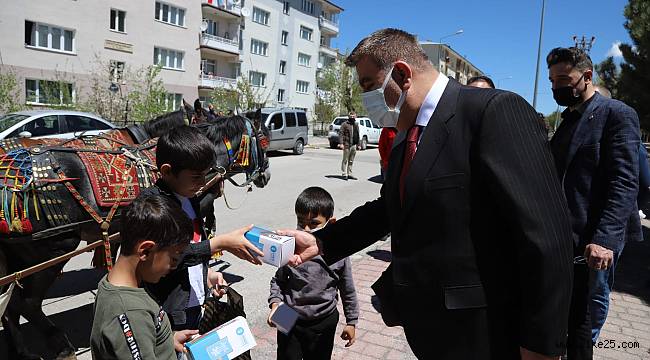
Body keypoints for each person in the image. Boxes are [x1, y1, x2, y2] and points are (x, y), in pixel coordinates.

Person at [281, 28, 574, 360]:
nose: (366, 99)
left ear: (403, 74)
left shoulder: (492, 112)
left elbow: (547, 237)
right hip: (433, 331)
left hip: (485, 333)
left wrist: (542, 345)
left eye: (368, 86)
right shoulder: (408, 133)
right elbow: (390, 208)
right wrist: (323, 241)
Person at [547, 47, 641, 359]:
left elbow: (625, 180)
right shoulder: (569, 119)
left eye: (563, 78)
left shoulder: (617, 114)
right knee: (566, 317)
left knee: (582, 321)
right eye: (551, 80)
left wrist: (604, 239)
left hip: (592, 241)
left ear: (586, 77)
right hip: (564, 237)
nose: (556, 87)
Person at [142, 126, 263, 333]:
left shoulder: (190, 197)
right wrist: (219, 243)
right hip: (169, 312)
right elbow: (167, 258)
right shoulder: (152, 207)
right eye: (196, 177)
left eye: (206, 175)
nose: (202, 183)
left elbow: (193, 248)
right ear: (167, 171)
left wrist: (206, 274)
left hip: (195, 303)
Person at [90, 195, 198, 359]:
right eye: (174, 258)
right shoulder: (132, 312)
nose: (174, 266)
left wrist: (167, 340)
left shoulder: (113, 284)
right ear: (146, 251)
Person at [267, 187, 358, 360]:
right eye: (301, 222)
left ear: (330, 223)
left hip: (324, 318)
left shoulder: (338, 253)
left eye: (314, 223)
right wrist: (275, 305)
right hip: (288, 314)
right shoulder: (291, 248)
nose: (306, 229)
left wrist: (351, 322)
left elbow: (348, 289)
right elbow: (278, 281)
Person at [338, 111, 360, 180]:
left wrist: (358, 144)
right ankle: (344, 173)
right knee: (345, 159)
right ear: (348, 117)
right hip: (347, 145)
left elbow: (357, 135)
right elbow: (341, 134)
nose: (352, 117)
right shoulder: (344, 124)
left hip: (354, 145)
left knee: (351, 160)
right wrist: (341, 143)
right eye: (351, 116)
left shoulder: (356, 124)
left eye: (353, 116)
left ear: (355, 116)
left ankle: (349, 173)